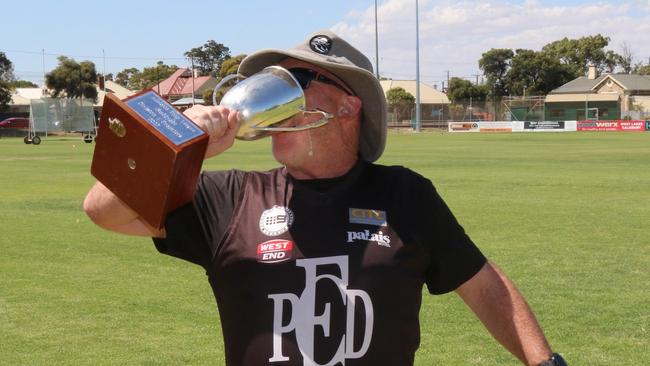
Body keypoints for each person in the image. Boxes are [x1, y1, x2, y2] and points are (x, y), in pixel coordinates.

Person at [84, 30, 567, 366]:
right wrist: (179, 144)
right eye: (270, 83)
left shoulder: (405, 195)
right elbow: (102, 211)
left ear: (348, 105)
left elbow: (484, 286)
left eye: (296, 84)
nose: (272, 98)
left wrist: (546, 362)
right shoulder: (229, 195)